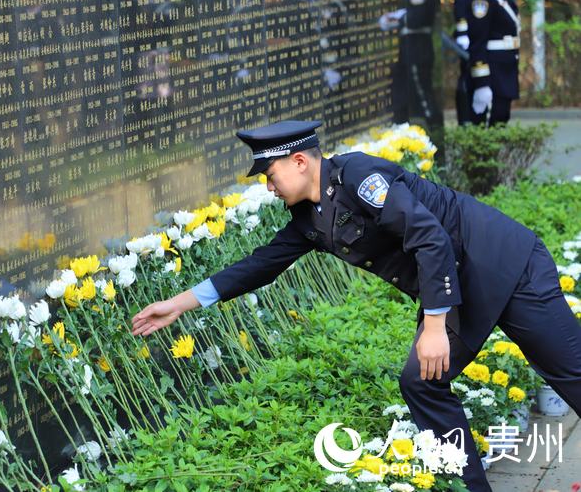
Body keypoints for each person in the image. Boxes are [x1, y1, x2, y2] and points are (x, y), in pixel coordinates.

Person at [131, 120, 581, 492]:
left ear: (301, 161)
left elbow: (429, 236)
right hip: (456, 285)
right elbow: (260, 265)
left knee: (568, 369)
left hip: (505, 264)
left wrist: (434, 326)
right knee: (422, 382)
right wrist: (180, 303)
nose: (268, 187)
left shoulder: (362, 179)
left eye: (270, 175)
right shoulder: (307, 218)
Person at [466, 0, 520, 126]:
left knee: (499, 126)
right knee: (489, 131)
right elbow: (477, 42)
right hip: (492, 77)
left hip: (503, 73)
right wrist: (482, 84)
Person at [385, 0, 438, 127]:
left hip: (417, 49)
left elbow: (416, 18)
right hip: (408, 48)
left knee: (423, 95)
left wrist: (397, 19)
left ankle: (434, 130)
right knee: (400, 94)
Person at [453, 0, 489, 125]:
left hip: (477, 34)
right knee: (467, 76)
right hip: (468, 36)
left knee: (477, 77)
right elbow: (461, 4)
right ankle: (465, 117)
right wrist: (462, 33)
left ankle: (476, 116)